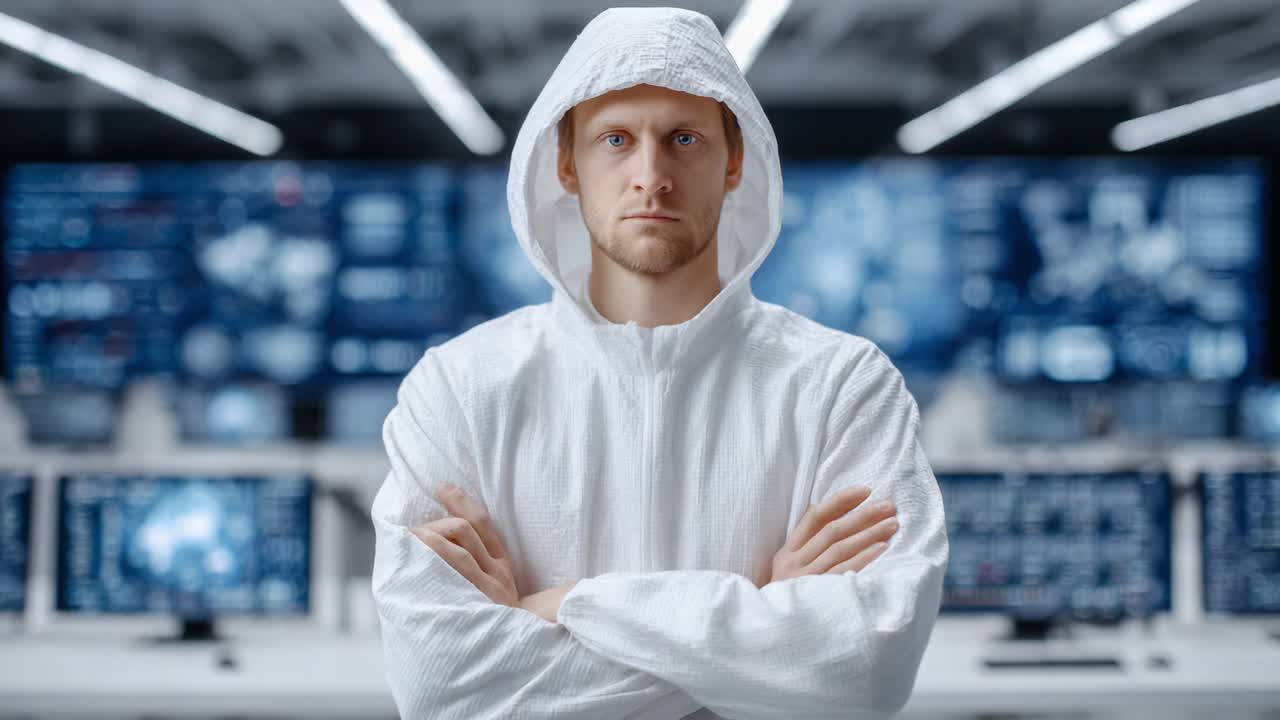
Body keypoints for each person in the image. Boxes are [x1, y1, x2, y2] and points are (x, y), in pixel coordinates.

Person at [371, 7, 948, 719]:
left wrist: (555, 607)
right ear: (565, 164)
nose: (651, 175)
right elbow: (441, 686)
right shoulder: (460, 389)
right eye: (616, 139)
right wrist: (765, 628)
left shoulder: (841, 386)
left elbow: (862, 672)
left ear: (735, 160)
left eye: (684, 139)